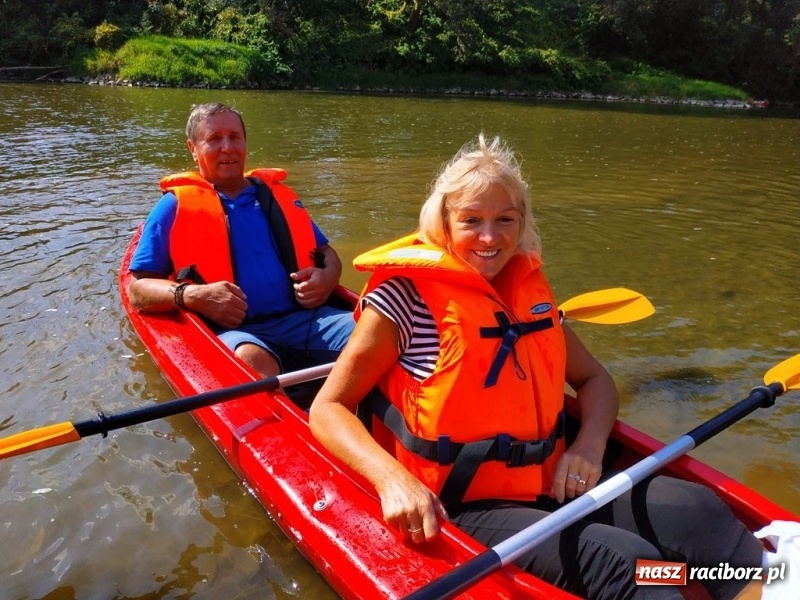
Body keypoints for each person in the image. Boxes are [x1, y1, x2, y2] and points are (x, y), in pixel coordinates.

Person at [309, 133, 765, 599]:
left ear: (522, 219)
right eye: (471, 221)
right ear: (443, 222)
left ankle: (759, 584)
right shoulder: (402, 298)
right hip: (462, 505)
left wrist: (587, 447)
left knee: (696, 509)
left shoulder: (529, 294)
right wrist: (393, 482)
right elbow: (328, 407)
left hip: (552, 481)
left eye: (504, 219)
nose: (490, 237)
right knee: (630, 565)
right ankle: (676, 582)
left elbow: (594, 381)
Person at [128, 102, 355, 399]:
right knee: (253, 362)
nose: (227, 147)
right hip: (236, 333)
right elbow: (138, 289)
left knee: (379, 331)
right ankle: (296, 427)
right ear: (193, 148)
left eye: (235, 137)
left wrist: (328, 277)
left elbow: (325, 252)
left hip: (307, 320)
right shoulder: (173, 207)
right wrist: (193, 295)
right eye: (214, 139)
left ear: (245, 143)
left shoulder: (278, 197)